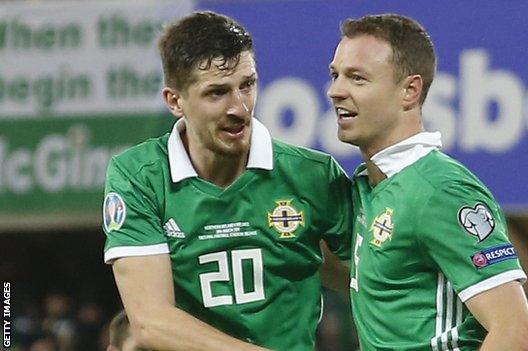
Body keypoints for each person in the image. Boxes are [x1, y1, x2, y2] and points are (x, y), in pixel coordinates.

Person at [102, 11, 352, 351]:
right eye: (217, 93)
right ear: (175, 101)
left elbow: (373, 280)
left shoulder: (313, 175)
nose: (239, 108)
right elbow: (151, 321)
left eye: (247, 85)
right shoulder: (139, 177)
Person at [327, 14, 528, 350]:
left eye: (358, 78)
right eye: (335, 75)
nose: (335, 91)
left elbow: (518, 335)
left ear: (410, 91)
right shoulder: (369, 186)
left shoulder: (441, 191)